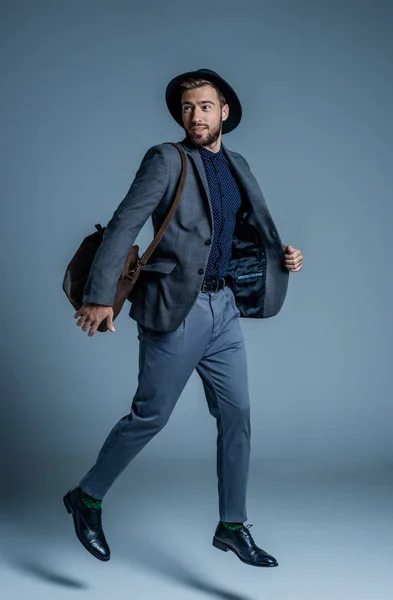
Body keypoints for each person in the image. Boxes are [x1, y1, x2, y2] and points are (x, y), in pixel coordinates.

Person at [63, 68, 303, 567]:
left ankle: (232, 526)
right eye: (188, 107)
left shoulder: (237, 164)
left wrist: (282, 254)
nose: (196, 115)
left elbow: (238, 234)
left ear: (225, 112)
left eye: (205, 106)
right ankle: (85, 499)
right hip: (176, 308)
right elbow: (125, 222)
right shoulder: (165, 160)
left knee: (237, 417)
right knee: (150, 416)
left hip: (224, 309)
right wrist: (100, 294)